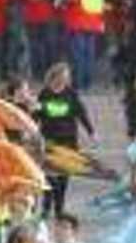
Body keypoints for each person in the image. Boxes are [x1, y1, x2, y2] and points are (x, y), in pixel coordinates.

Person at [35, 62, 95, 214]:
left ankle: (59, 207)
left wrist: (90, 131)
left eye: (66, 77)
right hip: (49, 140)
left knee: (63, 177)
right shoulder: (44, 94)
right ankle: (47, 205)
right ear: (53, 77)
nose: (64, 80)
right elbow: (36, 115)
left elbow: (81, 113)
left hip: (68, 140)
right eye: (61, 77)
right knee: (49, 176)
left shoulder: (71, 94)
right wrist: (32, 132)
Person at [66, 0, 108, 90]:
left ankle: (79, 83)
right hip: (94, 20)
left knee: (78, 54)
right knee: (89, 54)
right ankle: (88, 83)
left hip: (79, 19)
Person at [21, 0, 57, 79]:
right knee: (35, 46)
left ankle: (47, 72)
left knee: (49, 45)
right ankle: (38, 72)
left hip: (47, 15)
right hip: (32, 16)